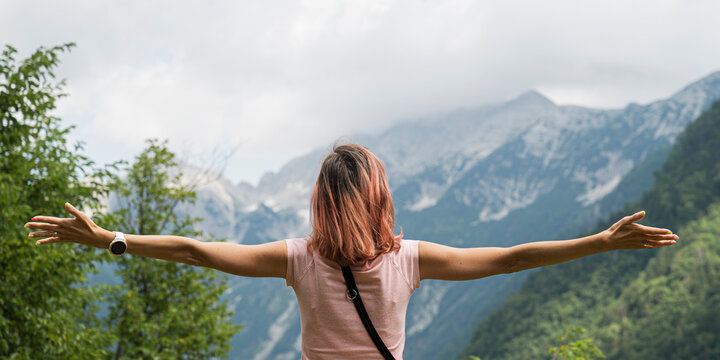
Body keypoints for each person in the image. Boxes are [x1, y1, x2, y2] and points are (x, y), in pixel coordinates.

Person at [25, 143, 678, 360]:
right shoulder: (412, 259)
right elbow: (509, 258)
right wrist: (599, 241)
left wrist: (108, 237)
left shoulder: (296, 259)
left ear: (321, 201)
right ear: (379, 198)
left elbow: (197, 251)